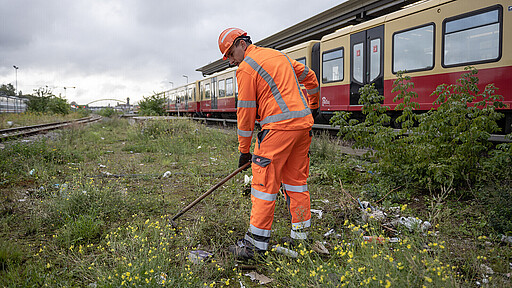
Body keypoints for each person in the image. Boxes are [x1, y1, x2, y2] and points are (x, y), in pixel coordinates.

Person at [218, 28, 320, 259]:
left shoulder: (246, 68)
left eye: (230, 53)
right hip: (303, 126)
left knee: (264, 186)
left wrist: (244, 151)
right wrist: (312, 105)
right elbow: (311, 77)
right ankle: (300, 239)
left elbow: (245, 114)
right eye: (227, 57)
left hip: (278, 130)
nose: (231, 60)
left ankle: (255, 246)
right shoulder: (278, 56)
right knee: (296, 184)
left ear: (242, 44)